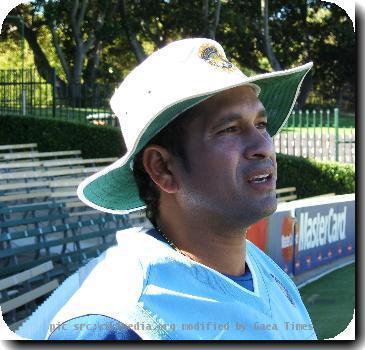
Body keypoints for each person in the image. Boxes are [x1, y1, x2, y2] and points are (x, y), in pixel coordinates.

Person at [18, 38, 316, 340]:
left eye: (261, 124)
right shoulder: (119, 324)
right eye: (229, 129)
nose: (263, 146)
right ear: (162, 168)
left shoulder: (267, 274)